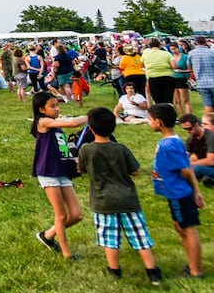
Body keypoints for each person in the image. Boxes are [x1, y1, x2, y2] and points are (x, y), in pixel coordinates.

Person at [76, 105, 162, 283]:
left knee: (109, 238)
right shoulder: (121, 148)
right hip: (128, 200)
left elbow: (82, 170)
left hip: (102, 201)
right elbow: (136, 171)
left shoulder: (85, 149)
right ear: (113, 126)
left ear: (90, 129)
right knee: (140, 236)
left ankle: (114, 270)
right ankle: (152, 271)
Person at [150, 102, 205, 279]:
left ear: (159, 122)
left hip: (179, 193)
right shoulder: (172, 140)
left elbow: (186, 169)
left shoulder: (169, 145)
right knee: (180, 227)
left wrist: (195, 191)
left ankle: (196, 271)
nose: (148, 122)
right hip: (175, 193)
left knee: (187, 229)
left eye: (150, 119)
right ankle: (191, 264)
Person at [31, 90, 88, 260]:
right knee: (61, 215)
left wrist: (74, 160)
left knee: (76, 215)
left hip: (62, 170)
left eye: (57, 105)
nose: (57, 109)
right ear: (42, 109)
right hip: (48, 172)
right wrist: (90, 116)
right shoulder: (43, 122)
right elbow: (73, 123)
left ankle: (47, 235)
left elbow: (63, 147)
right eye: (52, 106)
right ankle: (67, 254)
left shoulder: (55, 125)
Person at [179, 111, 214, 186]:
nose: (188, 131)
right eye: (185, 129)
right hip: (206, 166)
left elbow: (211, 161)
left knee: (195, 169)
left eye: (189, 128)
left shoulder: (210, 137)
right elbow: (185, 155)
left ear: (197, 125)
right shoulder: (191, 139)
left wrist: (190, 163)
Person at [144, 40, 176, 107]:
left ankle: (160, 115)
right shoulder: (166, 54)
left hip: (153, 77)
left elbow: (141, 64)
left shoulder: (146, 54)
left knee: (157, 100)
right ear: (160, 45)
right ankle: (169, 114)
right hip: (167, 77)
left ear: (149, 46)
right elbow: (174, 66)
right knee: (168, 99)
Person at [189, 37, 214, 114]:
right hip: (212, 80)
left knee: (207, 105)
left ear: (196, 42)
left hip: (201, 83)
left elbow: (189, 68)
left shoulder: (191, 53)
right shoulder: (211, 52)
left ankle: (210, 123)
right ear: (205, 42)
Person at [172, 41, 193, 118]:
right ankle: (183, 117)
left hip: (182, 79)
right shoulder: (171, 57)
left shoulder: (185, 57)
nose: (173, 51)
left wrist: (181, 71)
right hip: (173, 78)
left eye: (174, 49)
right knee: (177, 100)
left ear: (178, 48)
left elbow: (190, 70)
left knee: (185, 100)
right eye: (171, 49)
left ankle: (190, 117)